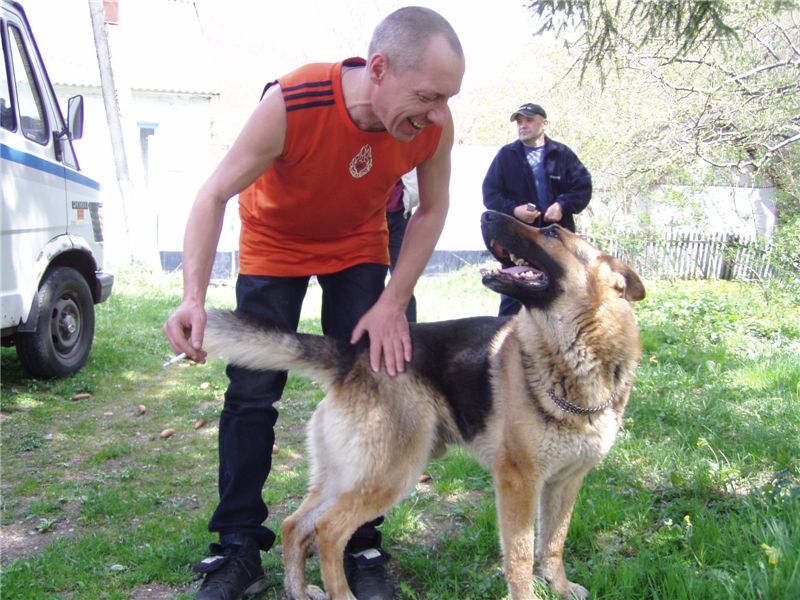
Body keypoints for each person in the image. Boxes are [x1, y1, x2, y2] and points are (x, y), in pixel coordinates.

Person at [162, 6, 464, 600]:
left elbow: (432, 210)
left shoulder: (433, 126)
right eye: (429, 95)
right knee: (252, 393)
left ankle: (359, 537)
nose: (438, 113)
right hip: (275, 244)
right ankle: (237, 546)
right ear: (379, 69)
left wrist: (393, 301)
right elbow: (213, 192)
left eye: (447, 98)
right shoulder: (293, 103)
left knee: (382, 378)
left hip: (358, 244)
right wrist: (192, 297)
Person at [482, 103, 592, 316]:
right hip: (518, 241)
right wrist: (514, 211)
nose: (522, 125)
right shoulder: (506, 155)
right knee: (514, 298)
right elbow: (490, 194)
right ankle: (509, 336)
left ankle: (560, 335)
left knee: (562, 294)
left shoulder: (562, 154)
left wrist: (562, 205)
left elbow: (583, 186)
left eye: (529, 120)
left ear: (544, 123)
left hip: (556, 243)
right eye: (519, 122)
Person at [386, 170, 419, 322]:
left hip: (400, 214)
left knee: (404, 283)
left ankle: (409, 330)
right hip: (369, 216)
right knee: (368, 283)